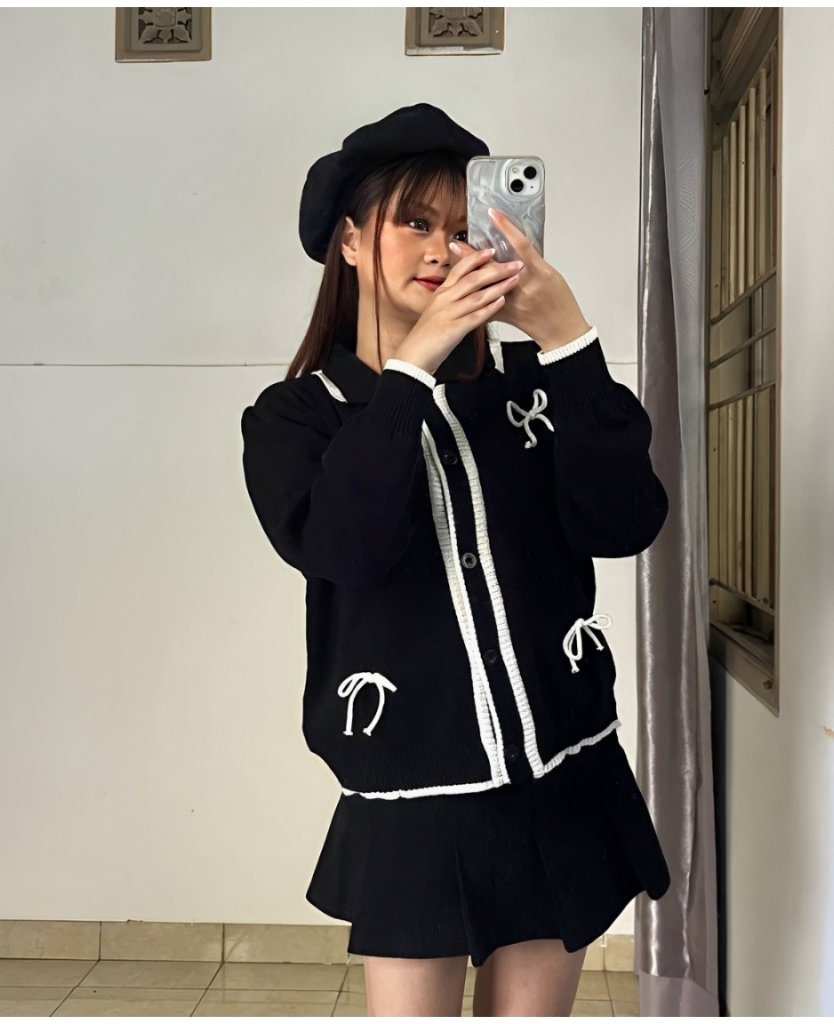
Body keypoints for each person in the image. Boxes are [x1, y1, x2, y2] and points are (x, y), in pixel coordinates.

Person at [240, 103, 670, 1017]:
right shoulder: (297, 419)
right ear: (350, 241)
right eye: (414, 222)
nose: (442, 248)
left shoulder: (529, 388)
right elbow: (348, 550)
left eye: (461, 225)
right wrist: (414, 367)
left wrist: (569, 343)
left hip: (562, 777)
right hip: (413, 796)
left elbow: (626, 521)